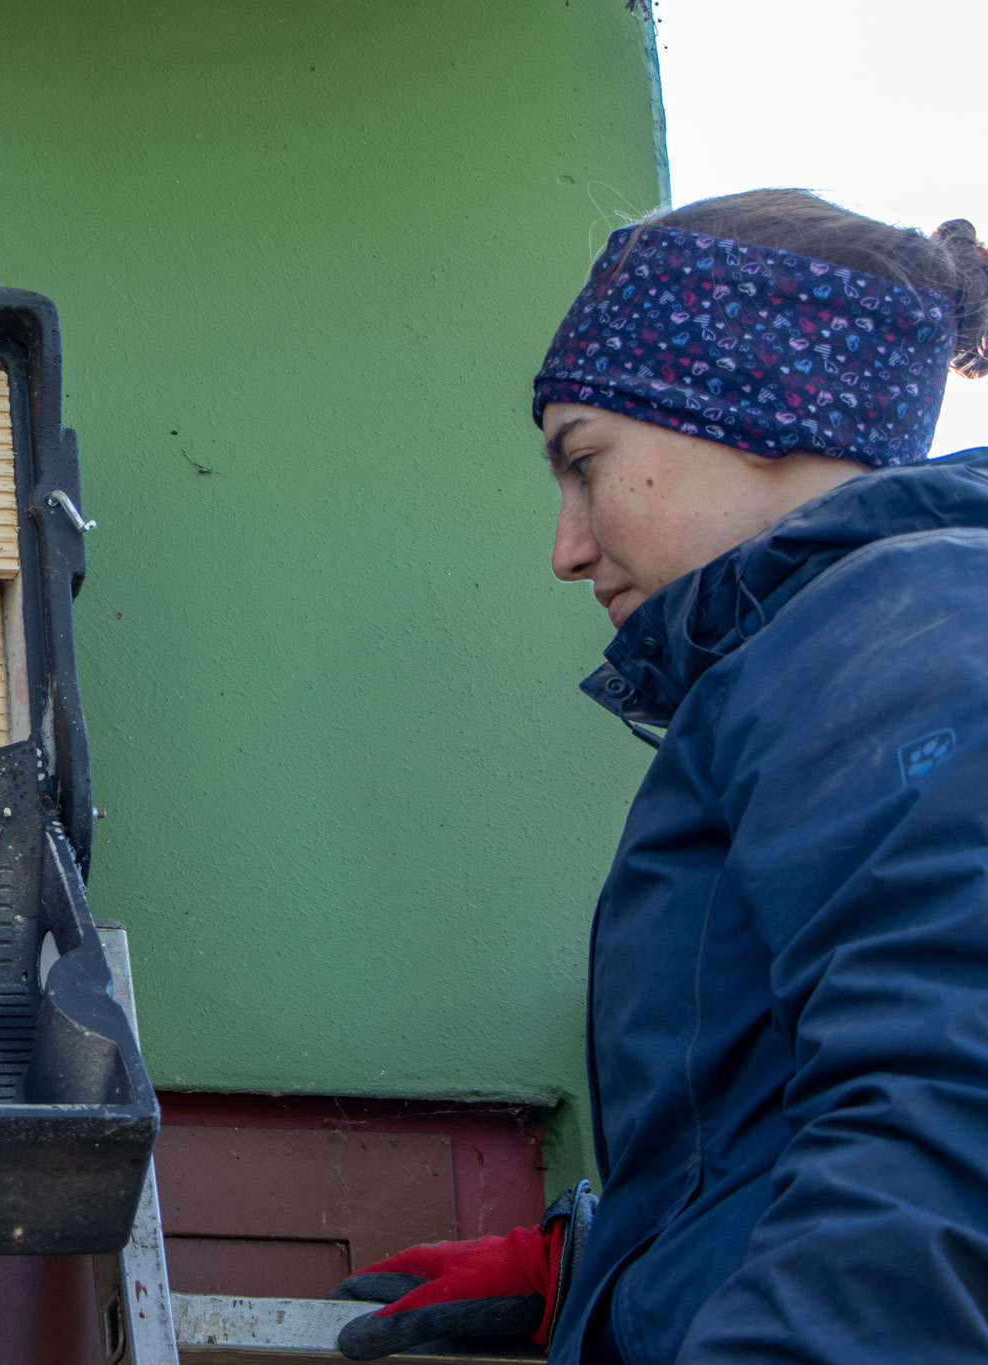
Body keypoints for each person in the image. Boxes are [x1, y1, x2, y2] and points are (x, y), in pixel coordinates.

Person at [332, 189, 988, 1362]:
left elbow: (947, 1120)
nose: (564, 547)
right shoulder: (842, 647)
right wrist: (604, 1266)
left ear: (756, 411)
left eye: (584, 464)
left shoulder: (898, 630)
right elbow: (788, 1120)